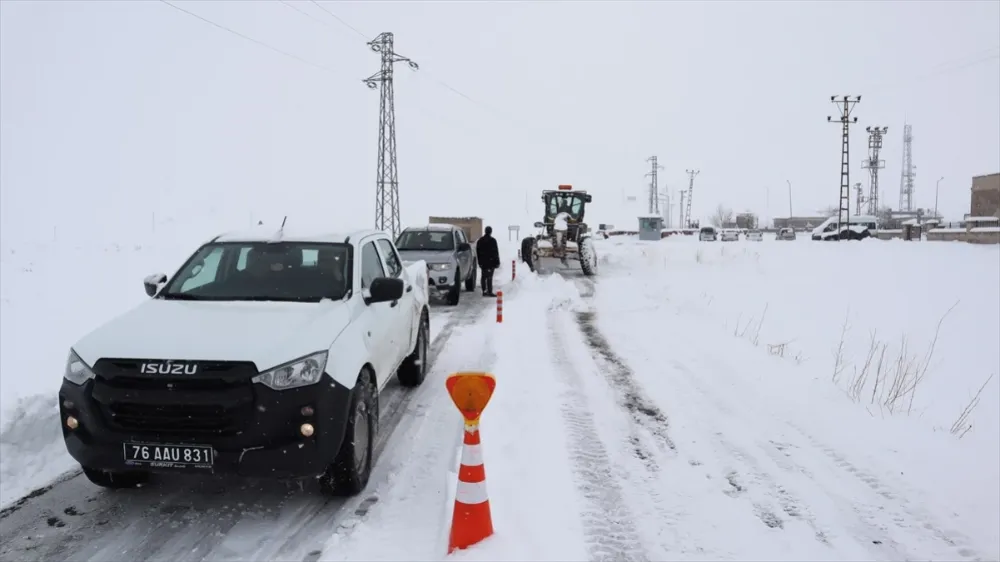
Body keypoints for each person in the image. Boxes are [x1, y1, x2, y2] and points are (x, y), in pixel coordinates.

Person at [475, 226, 500, 297]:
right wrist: (497, 262)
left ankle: (484, 291)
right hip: (491, 262)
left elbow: (478, 252)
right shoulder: (493, 241)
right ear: (491, 232)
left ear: (485, 231)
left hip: (483, 262)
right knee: (490, 277)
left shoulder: (480, 240)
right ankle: (490, 291)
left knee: (483, 276)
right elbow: (496, 252)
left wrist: (479, 262)